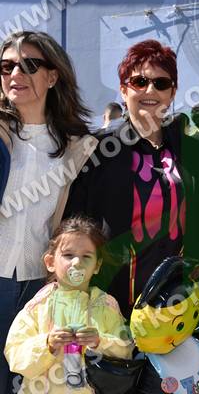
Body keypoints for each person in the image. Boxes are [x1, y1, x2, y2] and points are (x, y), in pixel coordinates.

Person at [65, 40, 199, 318]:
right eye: (139, 81)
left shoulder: (190, 150)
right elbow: (74, 223)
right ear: (124, 90)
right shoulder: (98, 149)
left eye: (161, 83)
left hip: (176, 303)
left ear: (172, 92)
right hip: (109, 303)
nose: (150, 90)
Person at [0, 31, 96, 392]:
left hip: (38, 288)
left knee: (28, 381)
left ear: (53, 76)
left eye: (29, 65)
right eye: (7, 66)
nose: (15, 74)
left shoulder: (77, 147)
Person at [4, 216, 133, 394]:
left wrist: (99, 342)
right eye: (68, 255)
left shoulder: (106, 306)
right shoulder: (38, 306)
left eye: (86, 256)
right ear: (50, 262)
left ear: (97, 265)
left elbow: (125, 350)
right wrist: (47, 344)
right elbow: (15, 354)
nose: (77, 262)